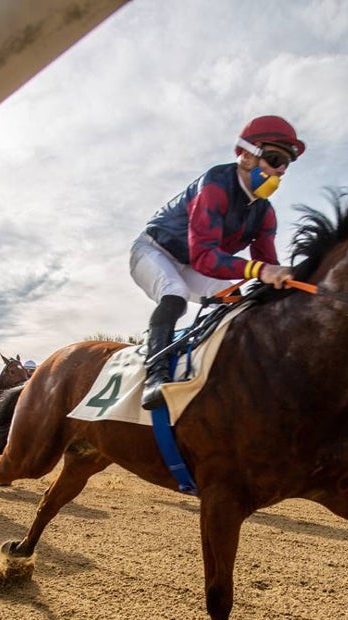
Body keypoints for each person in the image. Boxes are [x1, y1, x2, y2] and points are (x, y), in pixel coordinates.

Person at [129, 115, 304, 410]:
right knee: (174, 293)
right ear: (246, 156)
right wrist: (261, 270)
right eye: (275, 159)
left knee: (237, 303)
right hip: (154, 251)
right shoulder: (215, 186)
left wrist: (288, 282)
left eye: (286, 164)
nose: (281, 171)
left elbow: (265, 267)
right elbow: (205, 256)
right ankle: (154, 376)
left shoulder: (265, 212)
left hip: (194, 263)